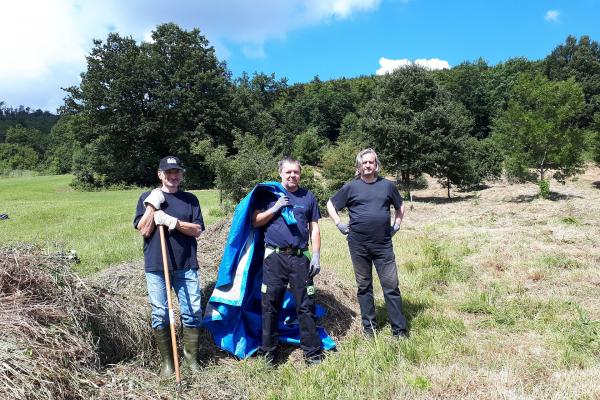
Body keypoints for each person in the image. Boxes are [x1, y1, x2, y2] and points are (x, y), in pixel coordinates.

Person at [133, 155, 205, 377]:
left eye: (177, 172)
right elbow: (144, 229)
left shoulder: (190, 199)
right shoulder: (146, 197)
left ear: (181, 174)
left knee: (192, 312)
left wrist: (174, 222)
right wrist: (152, 206)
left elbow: (197, 230)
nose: (173, 176)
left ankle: (191, 360)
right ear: (160, 174)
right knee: (161, 314)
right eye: (168, 172)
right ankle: (168, 364)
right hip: (157, 265)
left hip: (186, 264)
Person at [326, 148, 409, 339]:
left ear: (376, 165)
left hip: (383, 245)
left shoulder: (387, 186)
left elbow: (400, 205)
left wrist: (396, 224)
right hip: (358, 245)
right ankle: (369, 329)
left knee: (391, 286)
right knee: (364, 287)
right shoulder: (351, 187)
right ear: (359, 166)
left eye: (371, 162)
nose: (368, 165)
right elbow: (331, 204)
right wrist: (339, 224)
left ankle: (399, 330)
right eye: (365, 163)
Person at [252, 157, 324, 365]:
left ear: (300, 174)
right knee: (270, 305)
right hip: (274, 257)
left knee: (306, 305)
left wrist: (316, 255)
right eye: (288, 172)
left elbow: (315, 227)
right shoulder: (269, 195)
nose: (292, 175)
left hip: (300, 258)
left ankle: (312, 353)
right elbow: (255, 222)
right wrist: (274, 208)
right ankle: (268, 353)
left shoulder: (308, 197)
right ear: (281, 174)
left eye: (296, 172)